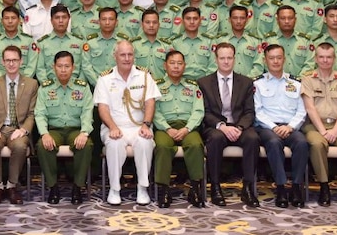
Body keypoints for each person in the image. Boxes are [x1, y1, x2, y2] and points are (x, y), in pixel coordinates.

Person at [94, 40, 160, 205]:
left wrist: (146, 124)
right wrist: (113, 127)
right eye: (122, 55)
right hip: (113, 126)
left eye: (130, 54)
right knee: (115, 143)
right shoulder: (105, 79)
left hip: (138, 126)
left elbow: (150, 102)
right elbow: (103, 108)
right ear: (115, 56)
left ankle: (143, 188)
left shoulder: (144, 76)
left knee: (145, 142)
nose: (127, 58)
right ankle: (115, 189)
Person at [197, 42, 260, 207]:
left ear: (234, 59)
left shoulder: (245, 82)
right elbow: (205, 112)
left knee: (253, 138)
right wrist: (222, 126)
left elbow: (249, 112)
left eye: (229, 58)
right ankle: (215, 187)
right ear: (216, 59)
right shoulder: (204, 83)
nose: (226, 62)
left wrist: (239, 128)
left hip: (239, 126)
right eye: (222, 58)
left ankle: (247, 188)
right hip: (217, 127)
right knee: (216, 139)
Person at [300, 43, 337, 207]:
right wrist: (323, 132)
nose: (325, 60)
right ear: (316, 59)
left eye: (329, 57)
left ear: (334, 59)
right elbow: (310, 108)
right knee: (317, 144)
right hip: (315, 126)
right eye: (321, 57)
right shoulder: (308, 79)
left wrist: (335, 130)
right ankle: (324, 186)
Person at [35, 51, 94, 205]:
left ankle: (77, 186)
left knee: (85, 145)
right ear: (53, 67)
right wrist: (44, 134)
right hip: (54, 130)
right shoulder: (45, 88)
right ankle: (53, 186)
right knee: (43, 145)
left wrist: (84, 132)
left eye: (67, 66)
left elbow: (87, 112)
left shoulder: (82, 87)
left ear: (73, 67)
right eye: (60, 66)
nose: (63, 70)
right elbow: (40, 114)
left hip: (76, 130)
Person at [253, 44, 309, 208]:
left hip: (290, 127)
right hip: (268, 127)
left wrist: (290, 127)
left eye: (279, 58)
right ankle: (281, 187)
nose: (276, 61)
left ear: (284, 59)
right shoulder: (258, 84)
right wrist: (274, 127)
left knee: (302, 143)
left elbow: (302, 110)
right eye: (271, 58)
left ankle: (297, 187)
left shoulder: (296, 83)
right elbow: (258, 111)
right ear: (265, 60)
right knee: (274, 142)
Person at [0, 46, 39, 205]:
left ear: (21, 61)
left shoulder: (32, 84)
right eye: (8, 60)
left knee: (21, 146)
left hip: (18, 129)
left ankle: (12, 186)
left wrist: (23, 130)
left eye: (15, 60)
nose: (11, 64)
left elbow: (32, 113)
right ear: (2, 62)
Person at [153, 50, 206, 208]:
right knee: (162, 146)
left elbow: (199, 110)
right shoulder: (157, 86)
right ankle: (163, 189)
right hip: (165, 127)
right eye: (172, 63)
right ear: (165, 66)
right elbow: (154, 112)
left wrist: (187, 128)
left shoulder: (193, 86)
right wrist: (167, 128)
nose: (176, 67)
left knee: (196, 145)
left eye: (179, 63)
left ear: (184, 66)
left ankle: (195, 188)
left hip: (188, 127)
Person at [37, 4, 88, 84]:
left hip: (76, 88)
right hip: (51, 89)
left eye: (64, 17)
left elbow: (84, 67)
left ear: (69, 19)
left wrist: (78, 85)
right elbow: (40, 69)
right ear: (51, 20)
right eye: (57, 18)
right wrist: (48, 87)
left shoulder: (79, 42)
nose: (61, 21)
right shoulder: (43, 43)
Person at [0, 6, 40, 79]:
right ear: (2, 21)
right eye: (6, 18)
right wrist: (3, 81)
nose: (10, 21)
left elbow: (32, 65)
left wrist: (22, 81)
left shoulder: (28, 41)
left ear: (19, 21)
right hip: (0, 83)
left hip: (24, 83)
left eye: (13, 18)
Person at [215, 5, 265, 78]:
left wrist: (245, 81)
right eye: (235, 18)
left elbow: (259, 66)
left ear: (247, 19)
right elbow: (215, 64)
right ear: (229, 19)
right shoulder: (220, 41)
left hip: (249, 84)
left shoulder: (255, 42)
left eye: (242, 18)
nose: (238, 21)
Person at [263, 5, 312, 79]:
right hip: (274, 81)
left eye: (290, 18)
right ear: (277, 20)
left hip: (301, 83)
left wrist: (298, 80)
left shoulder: (305, 41)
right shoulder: (268, 40)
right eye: (283, 18)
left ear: (295, 19)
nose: (286, 21)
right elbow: (264, 62)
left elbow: (310, 63)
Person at [170, 6, 218, 79]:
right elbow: (172, 68)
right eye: (188, 19)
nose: (192, 22)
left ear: (200, 21)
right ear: (182, 21)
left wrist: (206, 83)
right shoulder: (175, 42)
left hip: (205, 83)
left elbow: (213, 66)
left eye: (195, 19)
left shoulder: (209, 41)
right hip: (182, 84)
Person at [84, 8, 127, 86]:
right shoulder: (90, 42)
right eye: (104, 19)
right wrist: (98, 83)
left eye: (111, 19)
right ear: (99, 22)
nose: (107, 22)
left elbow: (129, 63)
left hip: (120, 85)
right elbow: (86, 66)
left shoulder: (123, 42)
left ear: (116, 22)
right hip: (96, 86)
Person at [132, 9, 174, 79]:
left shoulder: (167, 45)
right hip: (140, 86)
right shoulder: (133, 45)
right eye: (147, 22)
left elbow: (172, 69)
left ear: (159, 25)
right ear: (142, 24)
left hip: (161, 87)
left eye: (154, 22)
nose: (151, 25)